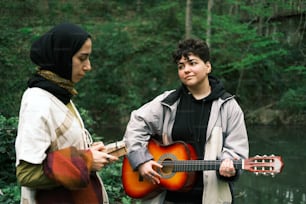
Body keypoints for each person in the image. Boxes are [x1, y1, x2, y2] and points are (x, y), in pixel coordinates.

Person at [123, 38, 249, 204]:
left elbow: (236, 149)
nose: (186, 70)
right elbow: (136, 122)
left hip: (210, 197)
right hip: (167, 197)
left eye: (192, 63)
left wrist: (229, 163)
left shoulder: (228, 107)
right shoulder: (168, 102)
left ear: (208, 66)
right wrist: (142, 161)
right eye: (181, 66)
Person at [15, 23, 118, 204]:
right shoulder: (38, 101)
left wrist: (89, 153)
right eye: (82, 58)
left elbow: (63, 152)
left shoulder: (60, 94)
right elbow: (27, 173)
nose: (88, 67)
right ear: (62, 57)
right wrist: (86, 160)